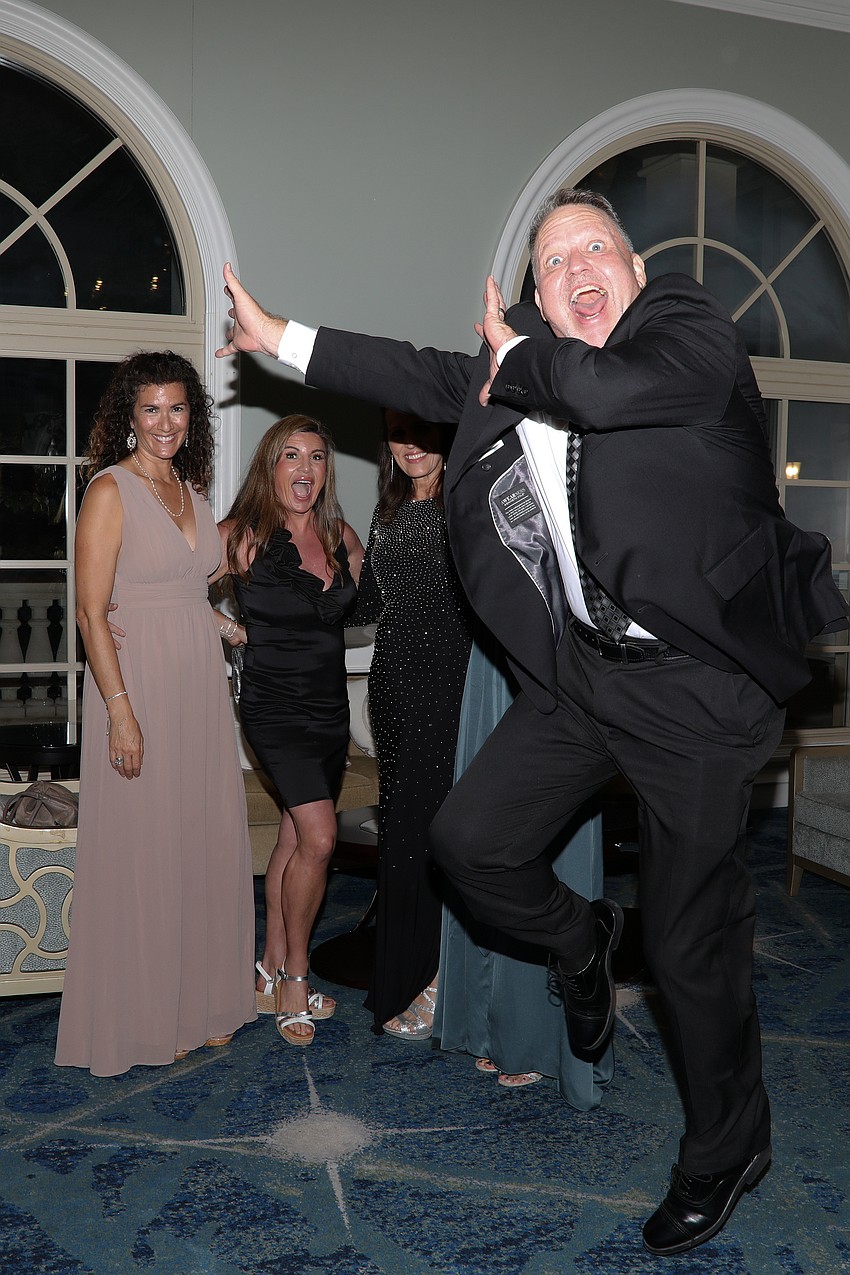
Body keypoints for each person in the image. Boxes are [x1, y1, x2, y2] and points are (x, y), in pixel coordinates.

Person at [215, 188, 849, 1255]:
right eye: (555, 263)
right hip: (586, 679)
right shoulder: (517, 382)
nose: (580, 266)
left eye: (596, 247)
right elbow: (415, 374)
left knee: (696, 941)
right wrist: (279, 336)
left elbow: (611, 391)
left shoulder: (684, 333)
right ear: (531, 302)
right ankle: (584, 937)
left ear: (637, 272)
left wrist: (518, 359)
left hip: (696, 687)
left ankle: (727, 1143)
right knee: (470, 844)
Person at [55, 350, 256, 1076]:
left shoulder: (188, 488)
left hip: (198, 687)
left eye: (178, 408)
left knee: (199, 842)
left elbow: (193, 588)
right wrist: (119, 710)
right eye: (151, 409)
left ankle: (199, 1003)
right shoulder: (110, 490)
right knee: (146, 853)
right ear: (128, 418)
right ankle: (145, 1016)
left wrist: (233, 627)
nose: (166, 422)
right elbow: (90, 609)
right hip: (137, 685)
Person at [217, 415, 363, 1046]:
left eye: (317, 458)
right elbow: (173, 591)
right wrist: (230, 631)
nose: (304, 471)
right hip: (274, 709)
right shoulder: (242, 537)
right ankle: (297, 981)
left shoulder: (339, 536)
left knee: (292, 838)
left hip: (330, 710)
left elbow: (378, 601)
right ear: (268, 467)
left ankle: (268, 967)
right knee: (322, 838)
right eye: (290, 457)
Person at [434, 624, 613, 1105]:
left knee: (694, 915)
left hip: (589, 657)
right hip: (504, 639)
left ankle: (537, 1037)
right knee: (473, 844)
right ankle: (497, 1029)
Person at [347, 410, 472, 1038]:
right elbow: (367, 602)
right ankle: (402, 976)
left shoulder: (466, 503)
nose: (411, 447)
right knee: (400, 833)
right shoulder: (387, 514)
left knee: (432, 835)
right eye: (399, 435)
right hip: (392, 685)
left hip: (447, 684)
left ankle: (439, 978)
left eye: (424, 435)